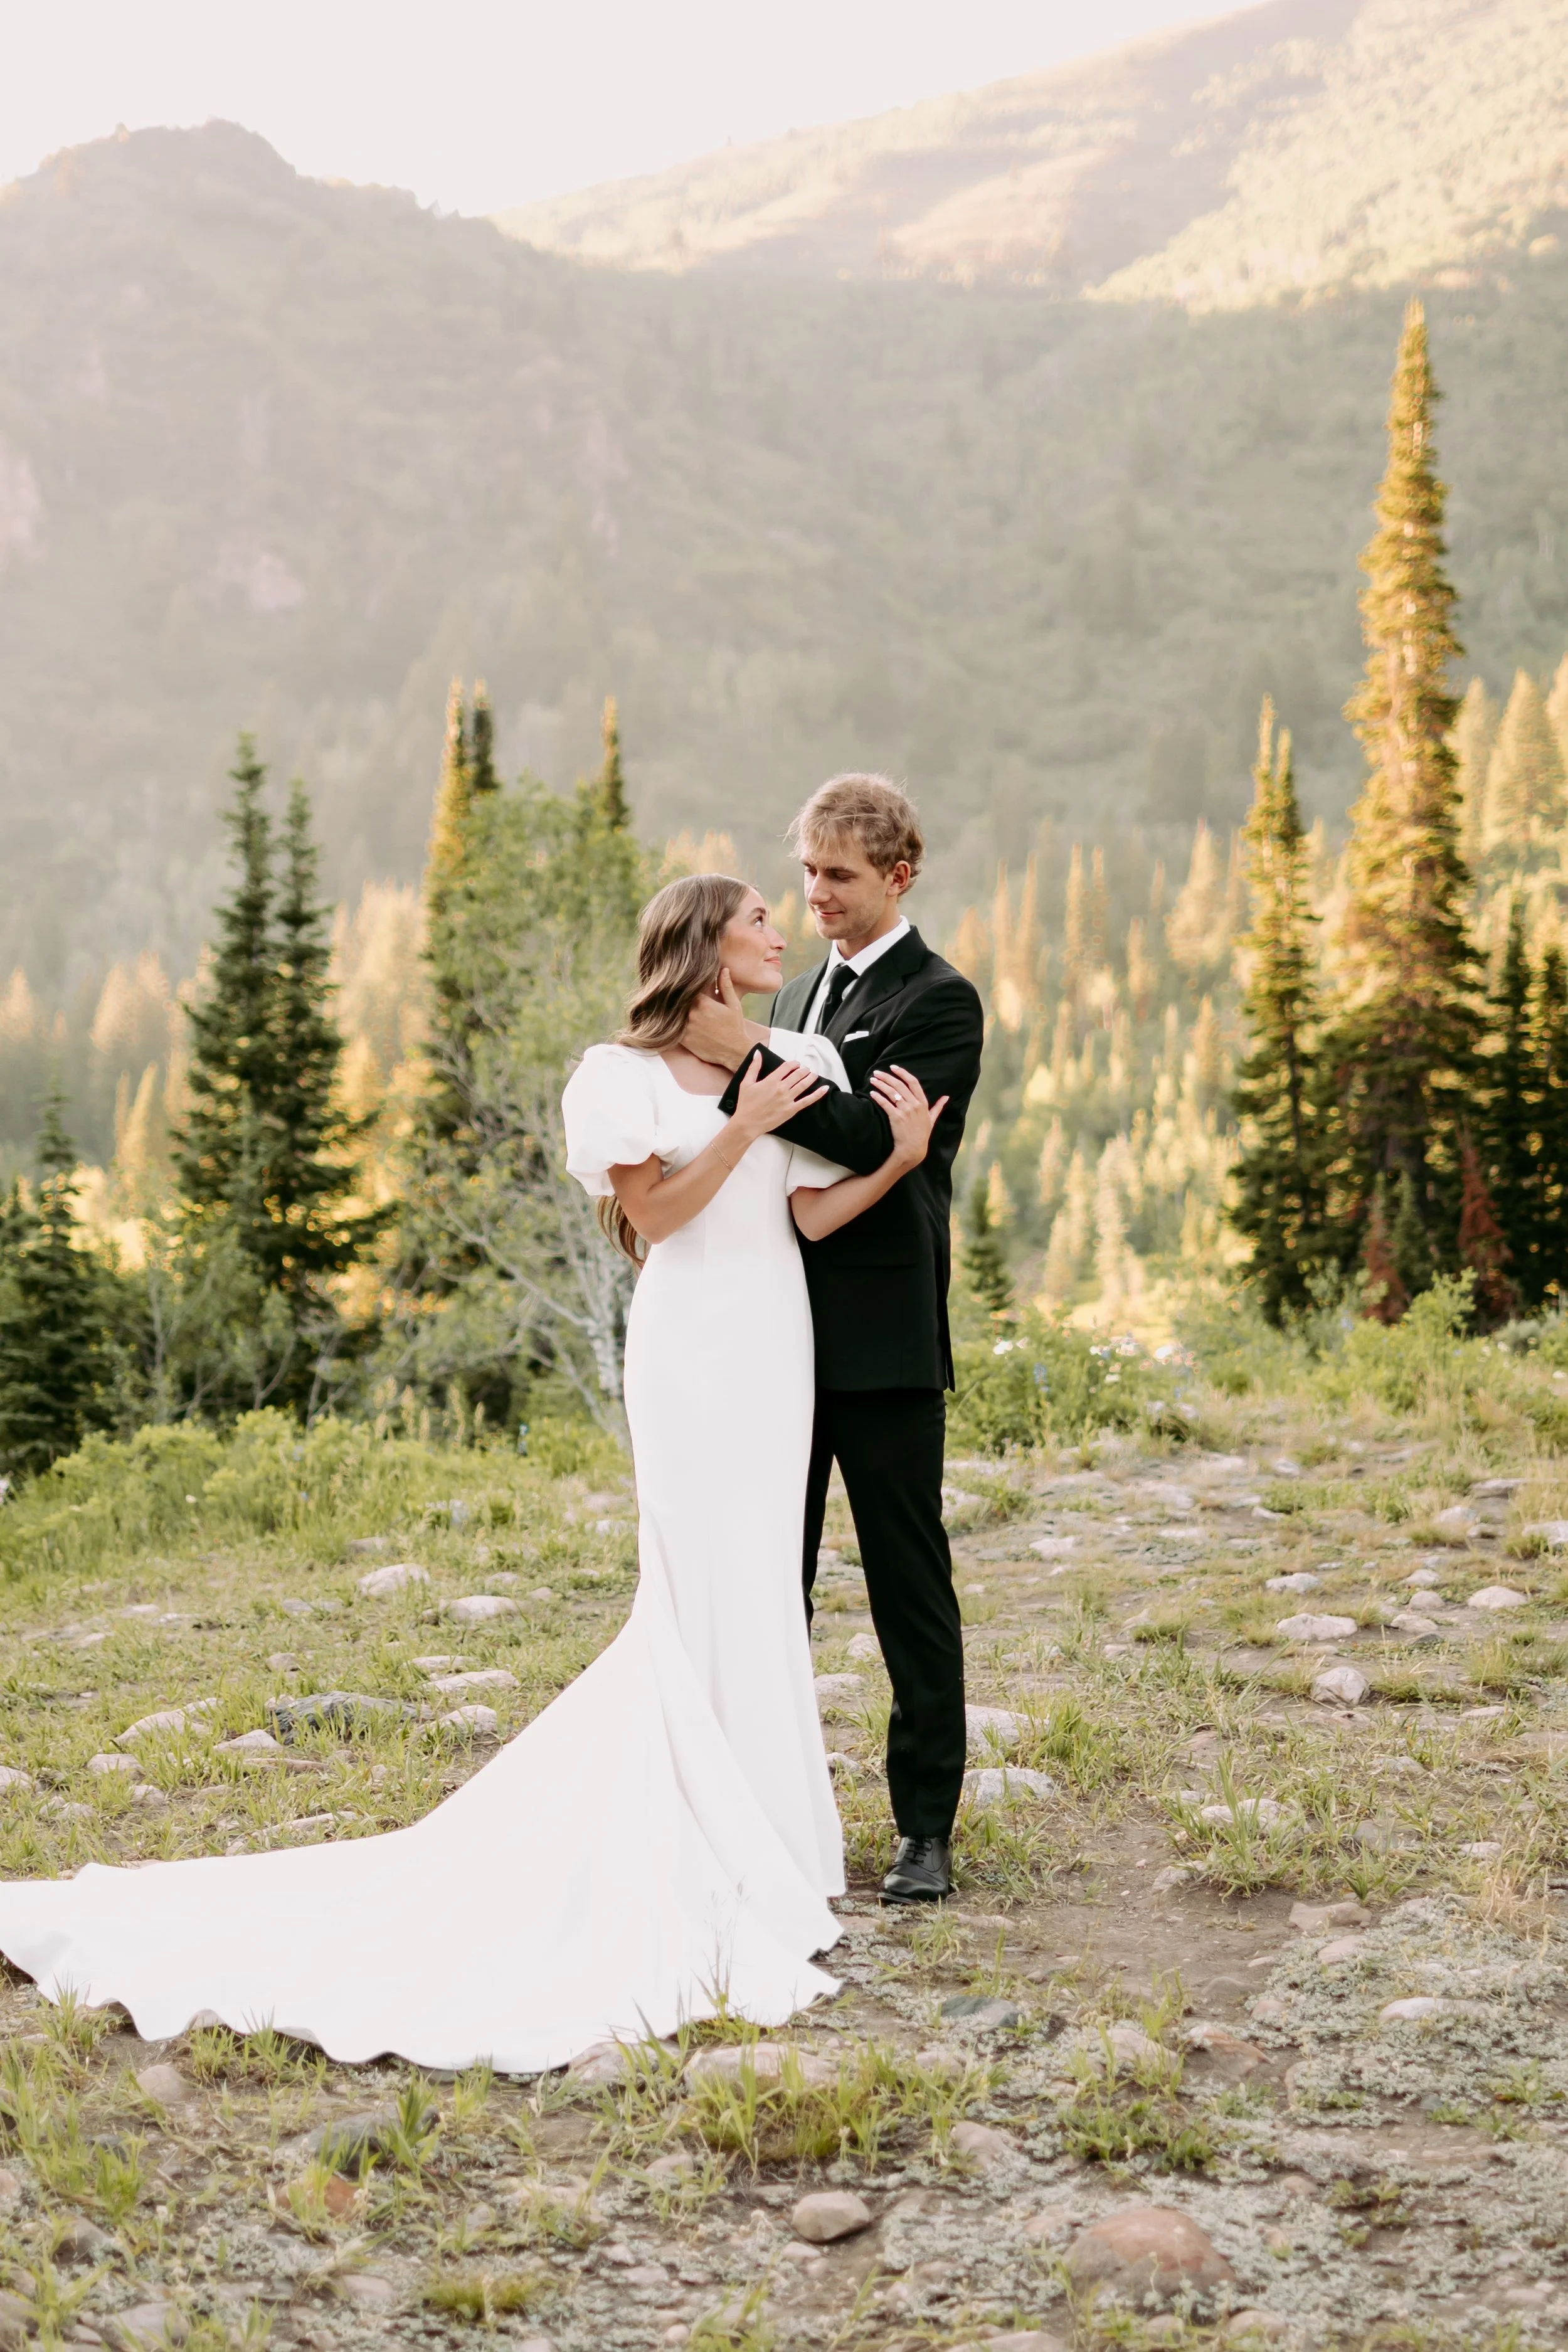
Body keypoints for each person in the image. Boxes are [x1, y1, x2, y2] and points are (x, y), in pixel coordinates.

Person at [0, 875, 941, 2073]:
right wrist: (745, 1126)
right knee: (692, 1578)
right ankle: (686, 1837)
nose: (779, 932)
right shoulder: (624, 1078)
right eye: (758, 917)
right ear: (706, 947)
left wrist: (900, 1157)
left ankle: (773, 1841)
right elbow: (659, 1220)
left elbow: (806, 1219)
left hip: (777, 1346)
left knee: (761, 1581)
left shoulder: (795, 1046)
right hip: (693, 1346)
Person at [682, 775, 984, 1903]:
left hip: (885, 1333)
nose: (815, 894)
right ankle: (762, 1802)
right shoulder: (802, 994)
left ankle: (924, 1830)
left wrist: (742, 1053)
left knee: (909, 1581)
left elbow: (865, 1138)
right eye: (806, 873)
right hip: (782, 1329)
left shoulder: (941, 1002)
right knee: (775, 1576)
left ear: (899, 874)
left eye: (839, 876)